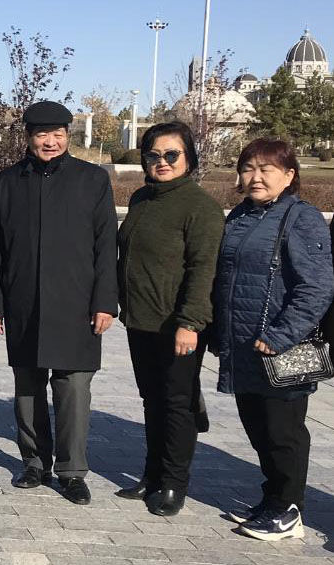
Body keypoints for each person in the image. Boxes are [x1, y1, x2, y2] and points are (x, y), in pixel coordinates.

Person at [0, 101, 117, 505]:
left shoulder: (92, 179)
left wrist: (105, 301)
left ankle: (72, 471)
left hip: (78, 304)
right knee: (27, 387)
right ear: (28, 137)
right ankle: (34, 463)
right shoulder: (5, 184)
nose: (51, 142)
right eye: (42, 134)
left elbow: (106, 245)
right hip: (23, 300)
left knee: (73, 389)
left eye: (58, 134)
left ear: (68, 136)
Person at [212, 138, 333, 541]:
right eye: (248, 168)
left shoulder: (301, 217)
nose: (256, 177)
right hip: (244, 344)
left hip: (282, 348)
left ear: (289, 175)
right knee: (258, 427)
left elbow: (316, 287)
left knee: (284, 433)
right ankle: (272, 498)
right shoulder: (241, 215)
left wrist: (282, 334)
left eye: (266, 169)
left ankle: (289, 509)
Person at [115, 121, 223, 516]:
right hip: (141, 320)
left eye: (171, 154)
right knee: (152, 401)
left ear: (188, 157)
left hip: (178, 326)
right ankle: (152, 475)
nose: (162, 162)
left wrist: (190, 323)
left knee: (177, 404)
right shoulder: (143, 198)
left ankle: (175, 483)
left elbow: (203, 270)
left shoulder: (200, 207)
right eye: (153, 155)